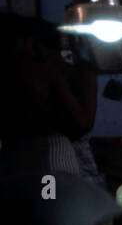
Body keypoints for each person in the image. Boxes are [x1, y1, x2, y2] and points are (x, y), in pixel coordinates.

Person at [0, 14, 97, 179]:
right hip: (38, 157)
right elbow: (83, 122)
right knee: (50, 200)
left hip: (36, 159)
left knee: (49, 199)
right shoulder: (35, 71)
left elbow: (82, 121)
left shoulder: (38, 70)